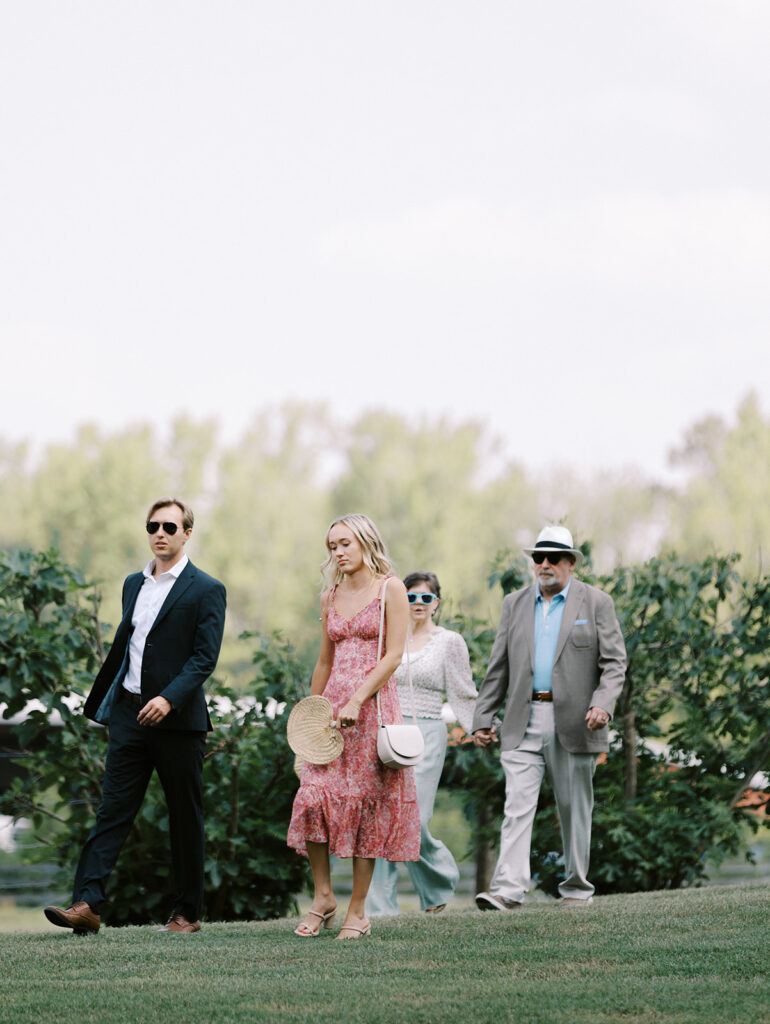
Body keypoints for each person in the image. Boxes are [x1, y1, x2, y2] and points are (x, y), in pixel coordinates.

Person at [44, 497, 226, 934]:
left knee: (185, 817)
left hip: (179, 722)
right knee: (112, 811)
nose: (159, 533)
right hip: (128, 716)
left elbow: (204, 659)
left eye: (168, 526)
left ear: (186, 533)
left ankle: (186, 914)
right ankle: (86, 905)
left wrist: (169, 698)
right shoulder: (133, 584)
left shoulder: (206, 589)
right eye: (152, 526)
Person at [472, 525, 626, 909]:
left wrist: (603, 704)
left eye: (553, 558)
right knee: (516, 807)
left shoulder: (596, 602)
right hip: (521, 720)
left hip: (577, 723)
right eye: (538, 557)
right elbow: (498, 666)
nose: (544, 564)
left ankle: (576, 889)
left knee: (575, 810)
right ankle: (508, 890)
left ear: (570, 563)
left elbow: (614, 663)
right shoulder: (514, 603)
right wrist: (482, 716)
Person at [287, 514, 421, 939]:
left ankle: (358, 911)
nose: (338, 552)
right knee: (311, 798)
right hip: (330, 714)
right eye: (332, 546)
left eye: (345, 543)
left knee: (366, 805)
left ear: (365, 542)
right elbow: (325, 662)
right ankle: (323, 897)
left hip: (371, 708)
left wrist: (358, 699)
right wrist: (311, 717)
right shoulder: (329, 596)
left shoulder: (391, 589)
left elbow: (394, 655)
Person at [366, 571, 477, 916]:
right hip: (387, 732)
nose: (417, 603)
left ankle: (438, 886)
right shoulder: (386, 638)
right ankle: (379, 907)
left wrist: (480, 727)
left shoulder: (449, 641)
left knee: (415, 817)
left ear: (436, 604)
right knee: (382, 816)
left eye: (425, 598)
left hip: (427, 733)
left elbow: (462, 690)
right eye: (411, 596)